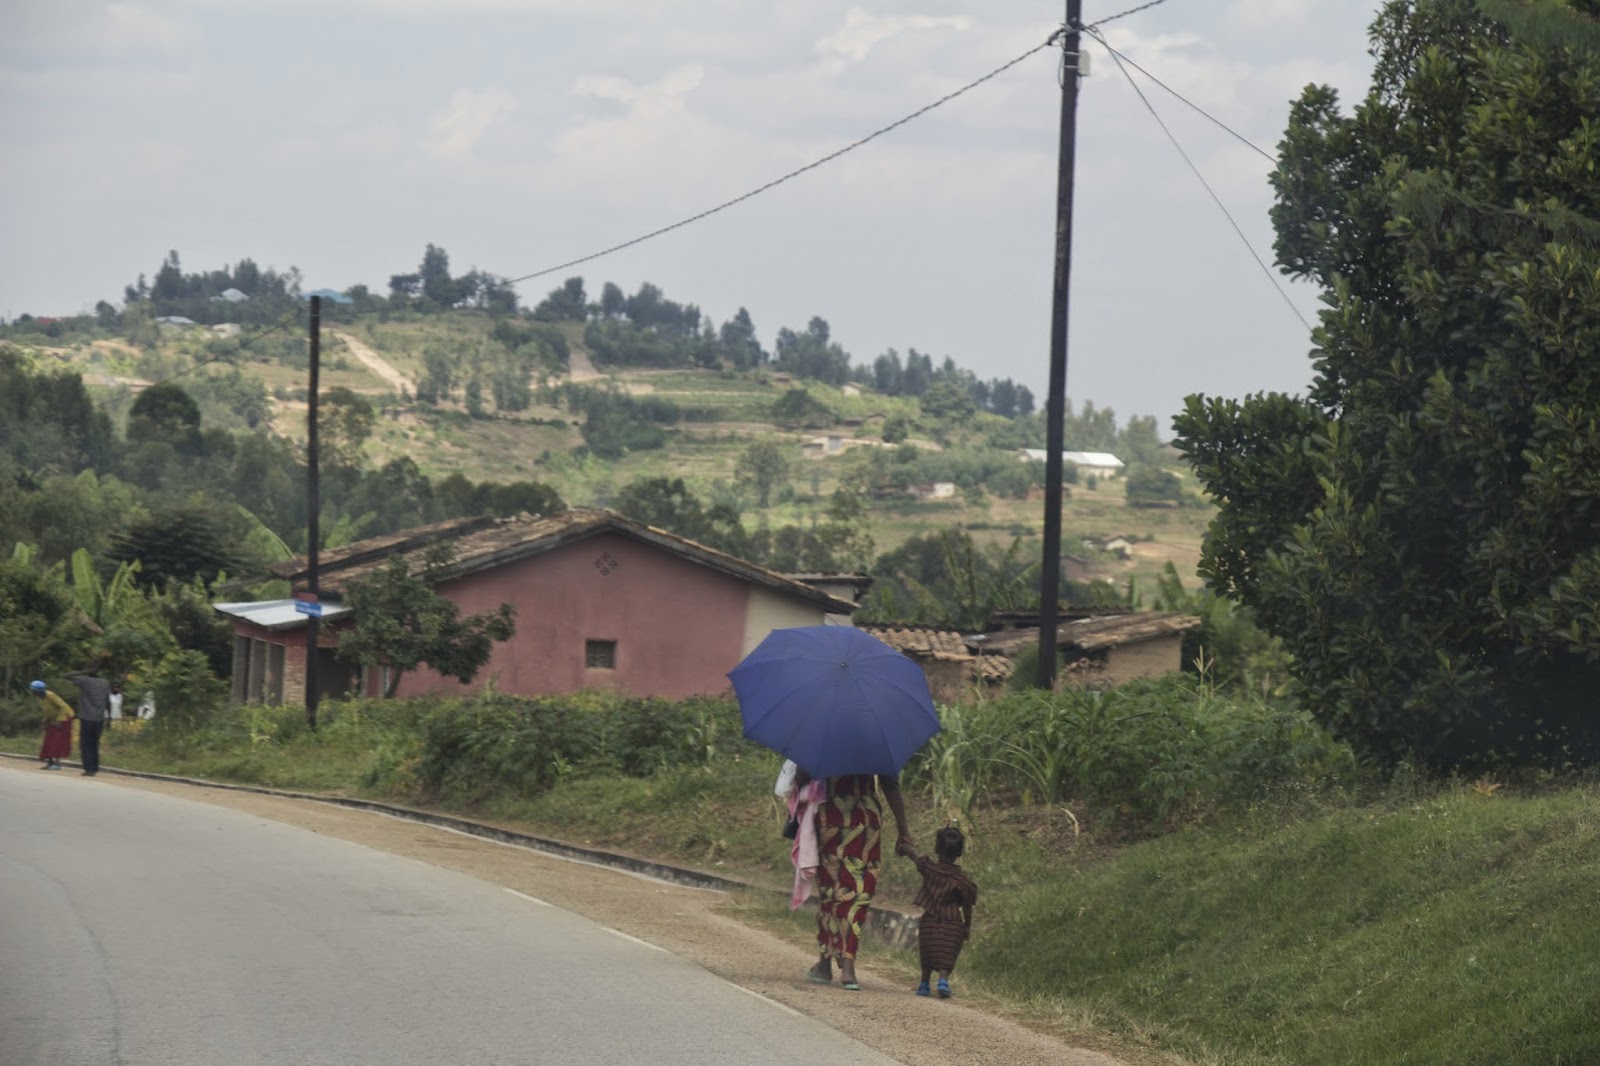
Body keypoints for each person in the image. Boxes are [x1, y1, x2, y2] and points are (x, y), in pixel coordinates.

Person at [796, 767, 912, 991]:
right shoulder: (875, 739)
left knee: (832, 891)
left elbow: (802, 776)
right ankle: (848, 966)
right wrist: (903, 830)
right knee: (858, 893)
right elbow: (890, 784)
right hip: (866, 819)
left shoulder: (821, 736)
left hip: (831, 815)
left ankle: (825, 964)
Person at [898, 826, 978, 999]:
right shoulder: (962, 881)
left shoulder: (930, 869)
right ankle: (943, 981)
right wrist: (967, 926)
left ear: (936, 848)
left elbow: (915, 857)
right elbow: (967, 906)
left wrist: (905, 847)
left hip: (930, 920)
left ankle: (924, 984)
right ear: (960, 852)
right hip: (953, 922)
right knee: (947, 952)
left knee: (928, 951)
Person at [65, 661, 112, 776]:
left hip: (87, 718)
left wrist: (83, 672)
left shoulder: (84, 681)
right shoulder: (105, 682)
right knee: (95, 744)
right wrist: (109, 718)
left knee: (86, 744)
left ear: (89, 670)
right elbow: (108, 701)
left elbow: (66, 676)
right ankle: (94, 768)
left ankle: (88, 769)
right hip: (99, 719)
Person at [32, 680, 74, 771]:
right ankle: (50, 762)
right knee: (48, 740)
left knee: (58, 741)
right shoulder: (40, 698)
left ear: (38, 691)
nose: (32, 693)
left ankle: (57, 764)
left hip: (64, 718)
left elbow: (63, 706)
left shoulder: (50, 695)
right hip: (54, 720)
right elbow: (48, 712)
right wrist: (45, 722)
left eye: (34, 691)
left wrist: (59, 721)